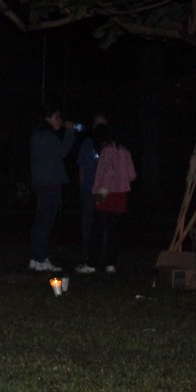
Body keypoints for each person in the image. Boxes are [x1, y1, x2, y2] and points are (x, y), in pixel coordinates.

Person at [29, 103, 79, 272]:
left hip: (43, 182)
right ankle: (40, 258)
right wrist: (70, 133)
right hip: (49, 183)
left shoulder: (39, 135)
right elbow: (62, 152)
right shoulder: (46, 136)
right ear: (47, 119)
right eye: (56, 117)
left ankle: (37, 258)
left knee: (42, 221)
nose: (60, 121)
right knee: (45, 221)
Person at [91, 124, 136, 274]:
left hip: (107, 194)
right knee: (114, 230)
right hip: (121, 194)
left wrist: (102, 191)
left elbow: (108, 171)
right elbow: (132, 175)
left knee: (100, 229)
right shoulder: (125, 151)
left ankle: (95, 262)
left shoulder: (107, 150)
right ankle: (111, 263)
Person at [75, 114, 109, 274]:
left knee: (103, 226)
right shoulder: (88, 143)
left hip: (105, 191)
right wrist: (82, 188)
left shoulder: (109, 145)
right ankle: (85, 258)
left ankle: (101, 259)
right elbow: (81, 167)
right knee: (87, 225)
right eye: (96, 124)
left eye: (102, 125)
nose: (99, 128)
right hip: (89, 190)